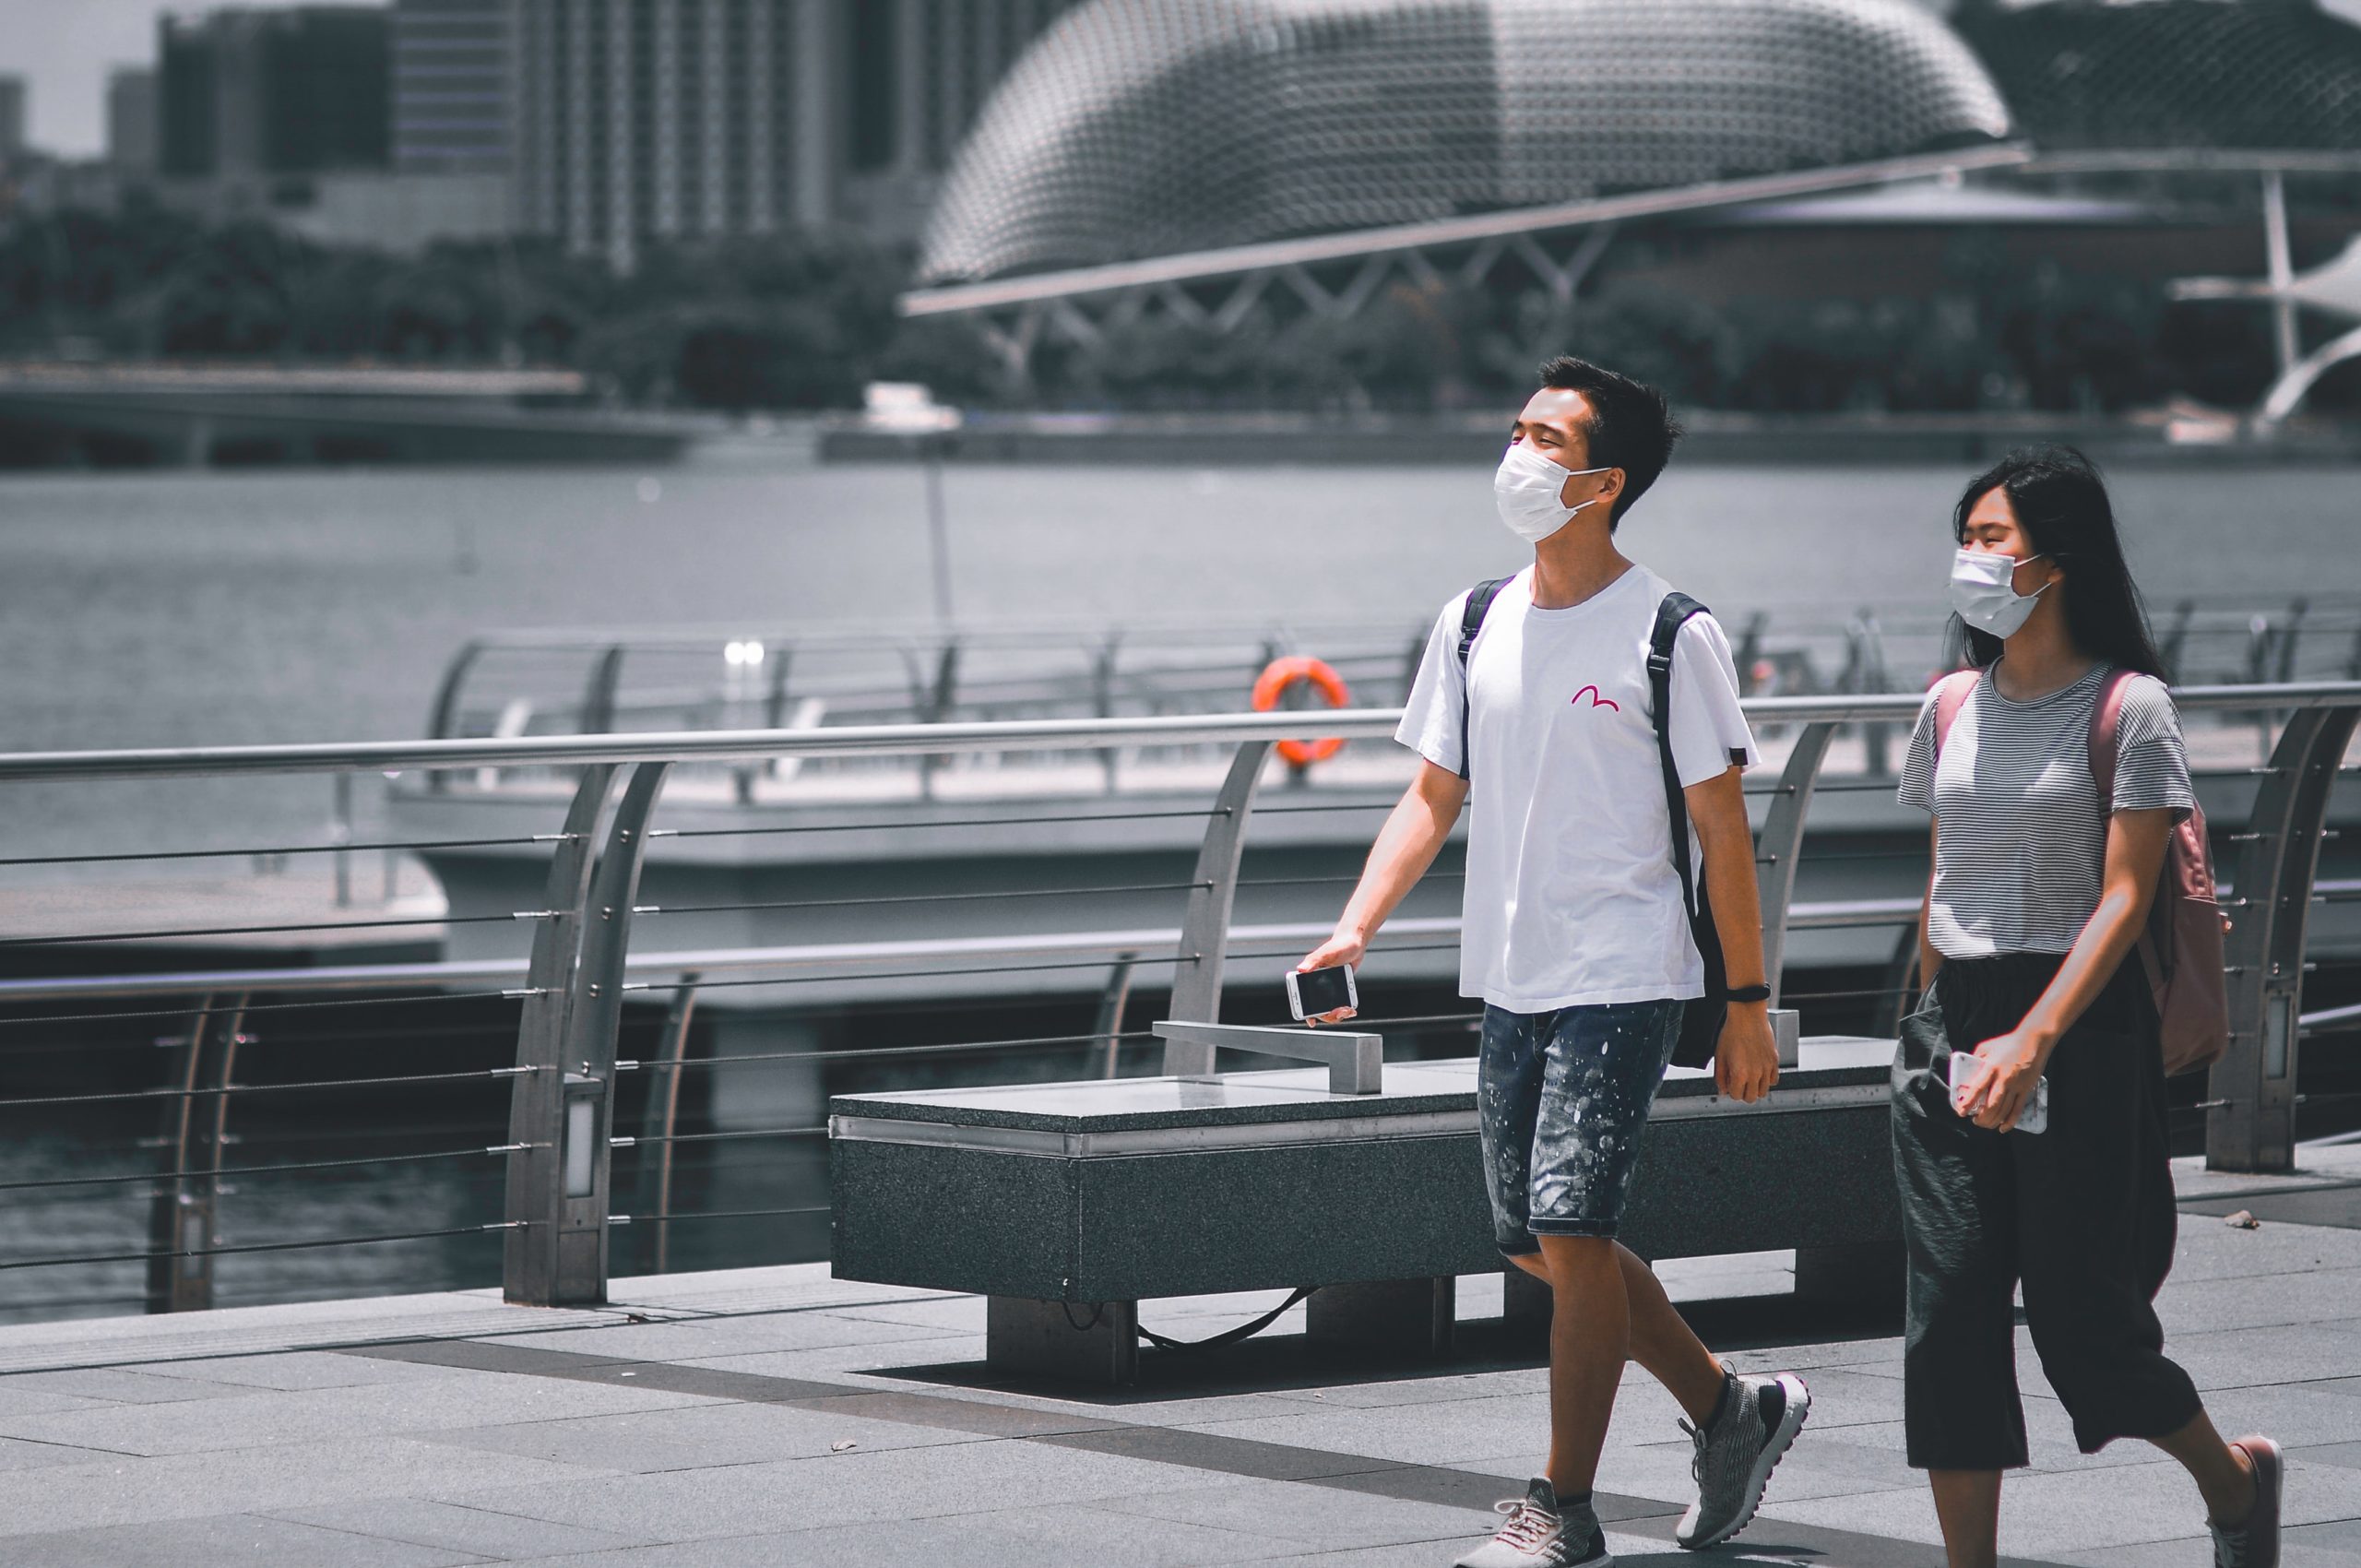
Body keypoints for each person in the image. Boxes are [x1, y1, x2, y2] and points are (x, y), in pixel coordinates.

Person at [1298, 356, 1809, 1568]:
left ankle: (1561, 1511)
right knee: (1530, 1239)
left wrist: (1747, 1002)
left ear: (1603, 482)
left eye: (1547, 439)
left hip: (1628, 972)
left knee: (1574, 1229)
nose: (1518, 454)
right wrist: (1354, 924)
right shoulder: (1475, 620)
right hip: (1512, 974)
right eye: (1519, 429)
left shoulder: (1672, 634)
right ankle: (1735, 1411)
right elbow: (1432, 794)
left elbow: (1724, 833)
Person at [1892, 446, 2282, 1568]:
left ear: (2055, 560)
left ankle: (2232, 1479)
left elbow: (2123, 897)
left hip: (2075, 1022)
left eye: (1991, 537)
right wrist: (1926, 1025)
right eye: (1962, 536)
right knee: (1950, 1316)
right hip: (1952, 1025)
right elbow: (1944, 875)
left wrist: (2034, 1036)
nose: (1969, 558)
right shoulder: (1949, 703)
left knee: (2086, 1329)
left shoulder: (2130, 706)